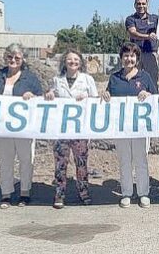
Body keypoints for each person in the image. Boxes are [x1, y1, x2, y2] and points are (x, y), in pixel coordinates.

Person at [0, 43, 43, 209]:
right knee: (5, 160)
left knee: (26, 160)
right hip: (2, 127)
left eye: (17, 57)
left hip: (24, 128)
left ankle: (25, 192)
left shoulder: (30, 78)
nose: (13, 60)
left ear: (23, 59)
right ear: (5, 57)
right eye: (10, 57)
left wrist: (31, 96)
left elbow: (40, 98)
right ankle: (6, 193)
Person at [101, 43, 158, 208]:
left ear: (137, 59)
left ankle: (143, 193)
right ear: (121, 58)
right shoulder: (114, 78)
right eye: (126, 55)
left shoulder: (145, 77)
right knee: (124, 160)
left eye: (132, 56)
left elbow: (155, 98)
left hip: (140, 127)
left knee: (141, 160)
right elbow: (108, 96)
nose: (129, 59)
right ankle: (126, 193)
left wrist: (147, 94)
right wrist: (106, 95)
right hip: (121, 128)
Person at [44, 49, 98, 209]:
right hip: (61, 130)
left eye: (76, 59)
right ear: (64, 62)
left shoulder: (87, 80)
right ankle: (59, 194)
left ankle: (84, 192)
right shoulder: (56, 80)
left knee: (81, 162)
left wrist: (87, 99)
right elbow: (49, 98)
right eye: (69, 60)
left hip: (80, 129)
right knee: (60, 163)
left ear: (80, 62)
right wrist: (49, 96)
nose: (73, 62)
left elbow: (95, 101)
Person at [125, 0, 159, 84]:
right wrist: (148, 37)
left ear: (147, 5)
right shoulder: (130, 19)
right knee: (135, 79)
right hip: (136, 55)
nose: (141, 6)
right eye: (139, 4)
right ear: (135, 5)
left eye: (143, 4)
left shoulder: (155, 18)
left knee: (152, 80)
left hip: (151, 54)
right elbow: (133, 33)